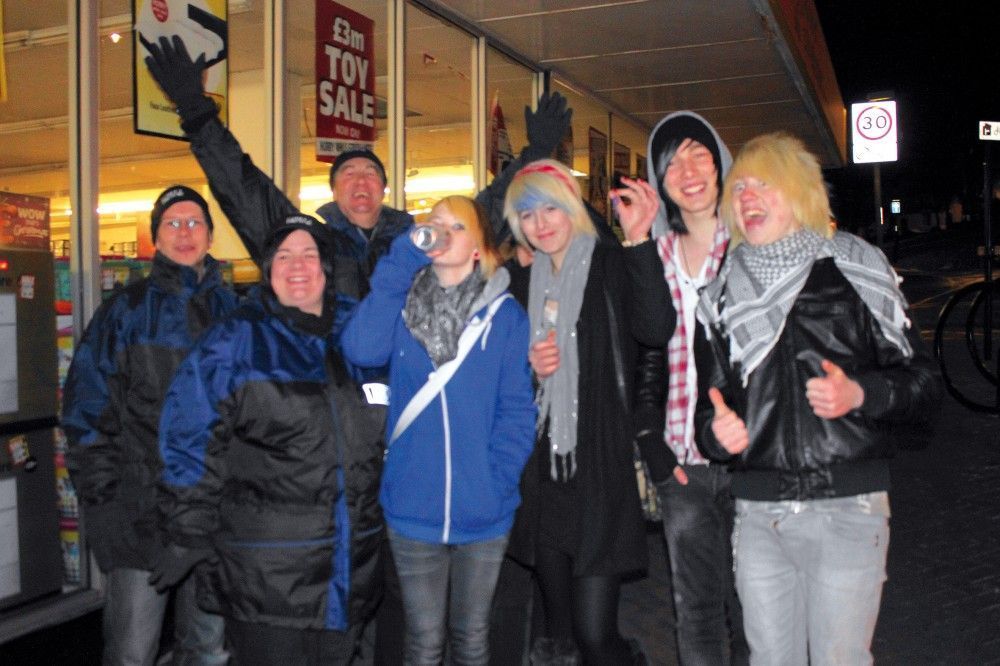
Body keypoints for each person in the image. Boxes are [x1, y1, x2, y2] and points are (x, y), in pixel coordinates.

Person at [693, 132, 942, 665]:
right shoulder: (718, 297)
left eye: (766, 185)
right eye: (739, 189)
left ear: (802, 194)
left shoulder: (855, 269)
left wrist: (861, 392)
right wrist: (715, 435)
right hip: (760, 516)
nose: (747, 198)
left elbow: (923, 386)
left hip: (848, 508)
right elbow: (707, 412)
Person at [155, 216, 386, 665]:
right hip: (267, 574)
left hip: (351, 568)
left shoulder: (361, 336)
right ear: (267, 268)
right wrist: (187, 528)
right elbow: (190, 435)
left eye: (309, 254)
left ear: (326, 268)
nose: (297, 265)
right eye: (284, 255)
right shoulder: (236, 338)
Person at [340, 196, 536, 664]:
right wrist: (403, 258)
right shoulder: (400, 306)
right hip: (412, 508)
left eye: (458, 227)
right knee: (423, 642)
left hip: (485, 511)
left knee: (472, 640)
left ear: (478, 249)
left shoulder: (505, 316)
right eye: (435, 224)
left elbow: (516, 410)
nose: (443, 233)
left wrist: (497, 481)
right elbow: (361, 348)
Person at [500, 159, 674, 664]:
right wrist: (527, 365)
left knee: (596, 635)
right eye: (528, 214)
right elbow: (500, 376)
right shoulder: (520, 283)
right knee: (559, 636)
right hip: (543, 479)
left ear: (572, 208)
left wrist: (639, 239)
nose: (542, 222)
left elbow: (656, 329)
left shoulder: (610, 265)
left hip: (599, 473)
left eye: (551, 206)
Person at [62, 185, 235, 666]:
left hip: (213, 517)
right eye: (173, 223)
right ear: (155, 237)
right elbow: (87, 408)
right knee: (131, 652)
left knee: (208, 651)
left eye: (194, 222)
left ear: (210, 234)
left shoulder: (235, 313)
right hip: (139, 516)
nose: (185, 232)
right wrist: (106, 502)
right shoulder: (126, 311)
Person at [615, 110, 748, 665]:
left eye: (699, 154)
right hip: (680, 460)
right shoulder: (653, 256)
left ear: (720, 164)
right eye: (672, 162)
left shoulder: (750, 244)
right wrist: (648, 433)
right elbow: (648, 344)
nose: (687, 170)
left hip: (750, 454)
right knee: (694, 608)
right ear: (658, 179)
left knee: (754, 604)